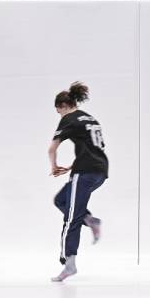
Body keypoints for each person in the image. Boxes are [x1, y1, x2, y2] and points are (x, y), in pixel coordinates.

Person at [48, 82, 107, 282]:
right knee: (61, 200)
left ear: (63, 106)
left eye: (58, 111)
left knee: (72, 217)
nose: (59, 115)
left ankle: (69, 262)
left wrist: (54, 167)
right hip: (99, 171)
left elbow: (52, 148)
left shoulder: (69, 119)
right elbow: (93, 149)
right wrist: (70, 168)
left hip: (85, 172)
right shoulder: (90, 118)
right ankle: (91, 220)